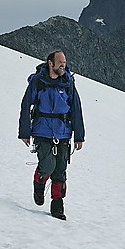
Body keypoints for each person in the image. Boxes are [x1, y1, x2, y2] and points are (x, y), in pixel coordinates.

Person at [19, 50, 85, 220]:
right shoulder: (38, 81)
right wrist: (25, 132)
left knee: (60, 170)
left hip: (63, 133)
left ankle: (57, 205)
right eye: (60, 62)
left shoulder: (68, 82)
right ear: (51, 63)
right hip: (42, 130)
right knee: (48, 165)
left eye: (64, 62)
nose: (63, 65)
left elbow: (76, 108)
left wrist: (79, 136)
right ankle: (39, 182)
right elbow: (26, 105)